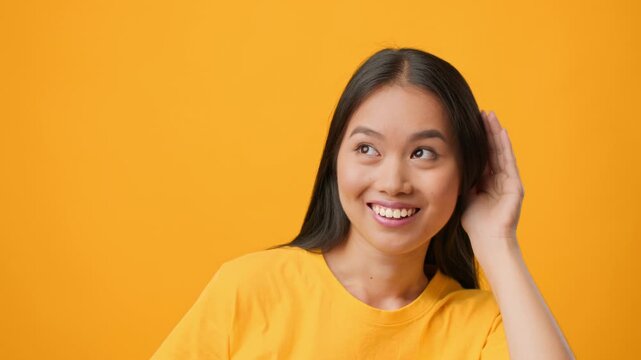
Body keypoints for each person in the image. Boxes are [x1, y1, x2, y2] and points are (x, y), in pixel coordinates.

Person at [151, 48, 574, 359]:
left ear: (465, 172)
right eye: (368, 149)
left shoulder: (487, 326)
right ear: (335, 160)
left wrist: (498, 242)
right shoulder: (249, 289)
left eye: (423, 153)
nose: (392, 183)